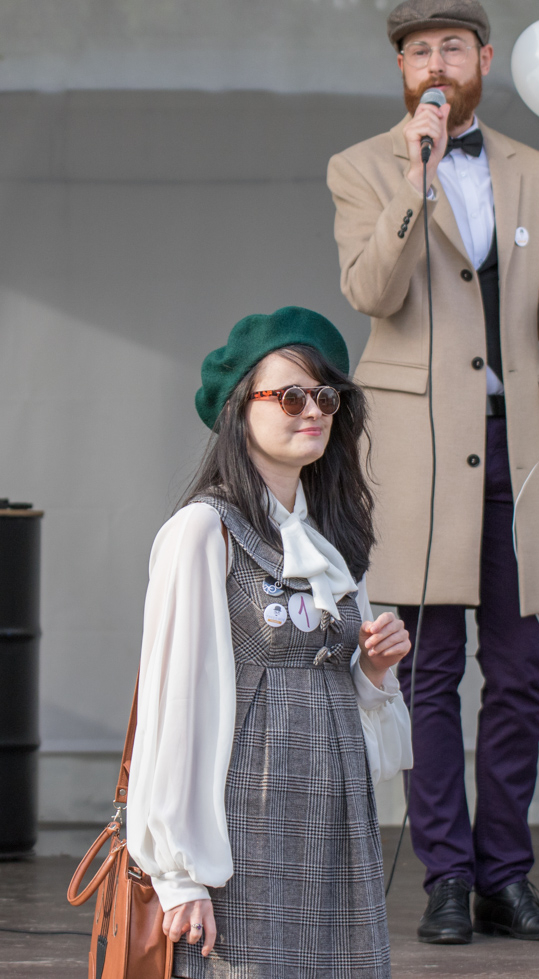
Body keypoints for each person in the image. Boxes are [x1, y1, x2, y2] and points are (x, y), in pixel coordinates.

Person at [326, 0, 539, 945]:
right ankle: (445, 881)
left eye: (451, 48)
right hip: (417, 451)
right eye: (418, 51)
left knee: (517, 675)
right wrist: (415, 180)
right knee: (428, 674)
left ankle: (508, 875)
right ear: (401, 69)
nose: (435, 63)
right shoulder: (359, 169)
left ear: (484, 60)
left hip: (517, 448)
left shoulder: (533, 169)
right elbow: (370, 291)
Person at [126, 306, 415, 978]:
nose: (311, 410)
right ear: (240, 409)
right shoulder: (203, 532)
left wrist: (373, 671)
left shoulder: (336, 543)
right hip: (242, 825)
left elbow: (371, 733)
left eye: (325, 396)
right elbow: (174, 713)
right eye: (289, 394)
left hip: (335, 820)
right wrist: (181, 876)